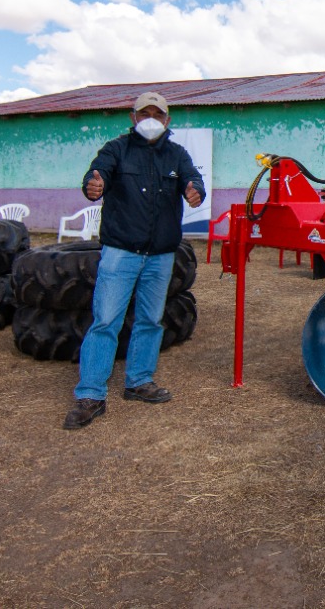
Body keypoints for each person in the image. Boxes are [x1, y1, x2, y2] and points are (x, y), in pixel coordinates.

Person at [63, 91, 206, 430]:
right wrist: (92, 184)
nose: (152, 120)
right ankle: (91, 395)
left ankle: (139, 382)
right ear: (133, 118)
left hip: (160, 256)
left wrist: (194, 189)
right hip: (120, 253)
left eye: (159, 114)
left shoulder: (177, 154)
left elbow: (193, 178)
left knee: (150, 321)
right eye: (145, 114)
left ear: (168, 120)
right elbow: (97, 174)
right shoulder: (116, 149)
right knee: (105, 322)